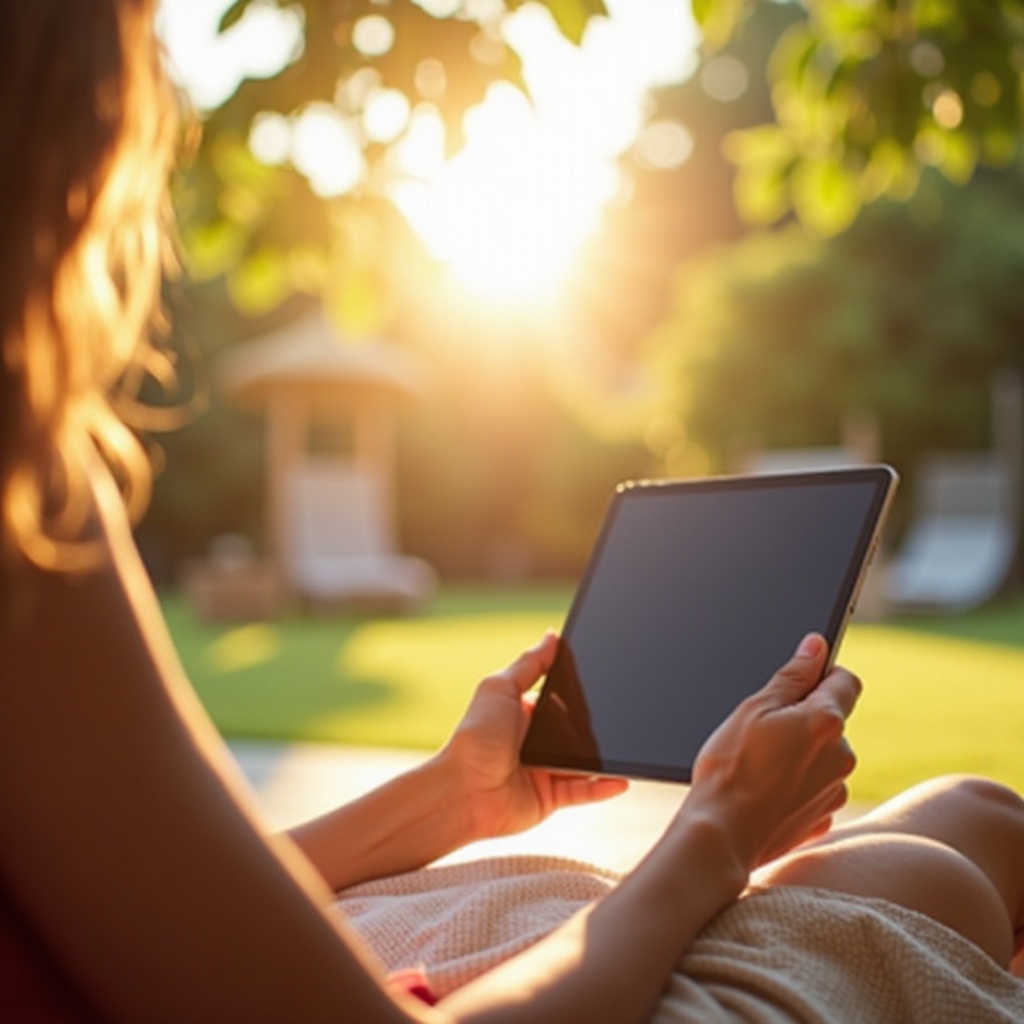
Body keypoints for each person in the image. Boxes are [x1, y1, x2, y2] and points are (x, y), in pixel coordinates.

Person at [1, 2, 1023, 1021]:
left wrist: (454, 795)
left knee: (972, 814)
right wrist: (715, 832)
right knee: (971, 835)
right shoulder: (26, 507)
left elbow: (158, 902)